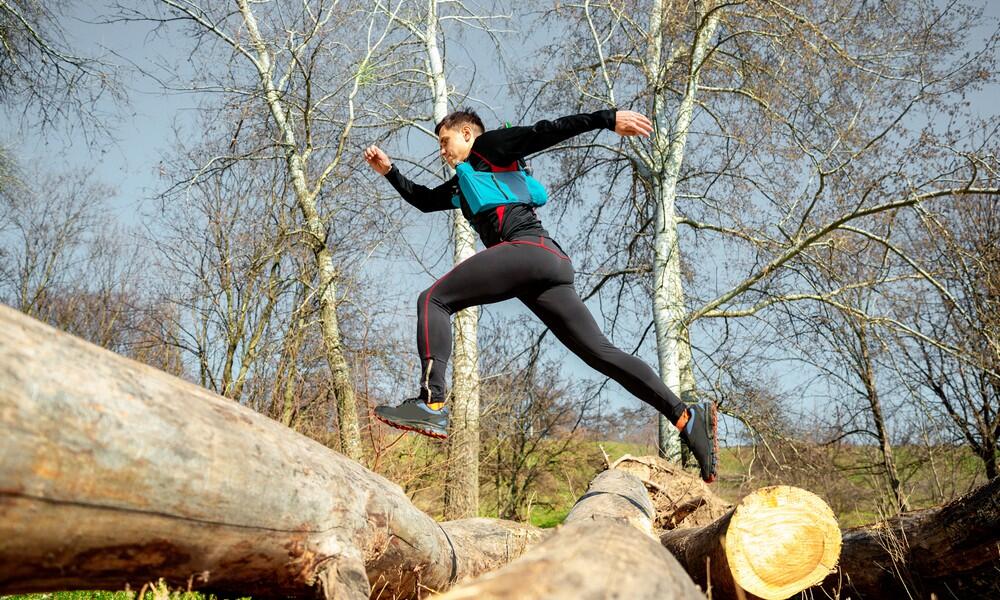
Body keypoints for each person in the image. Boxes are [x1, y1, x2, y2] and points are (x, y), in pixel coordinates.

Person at [363, 108, 718, 483]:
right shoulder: (464, 186)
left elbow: (546, 130)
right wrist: (390, 172)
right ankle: (685, 416)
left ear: (467, 134)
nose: (442, 152)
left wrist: (607, 118)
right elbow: (423, 199)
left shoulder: (490, 147)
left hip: (529, 252)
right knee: (602, 354)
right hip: (547, 268)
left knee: (433, 299)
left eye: (444, 142)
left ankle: (431, 402)